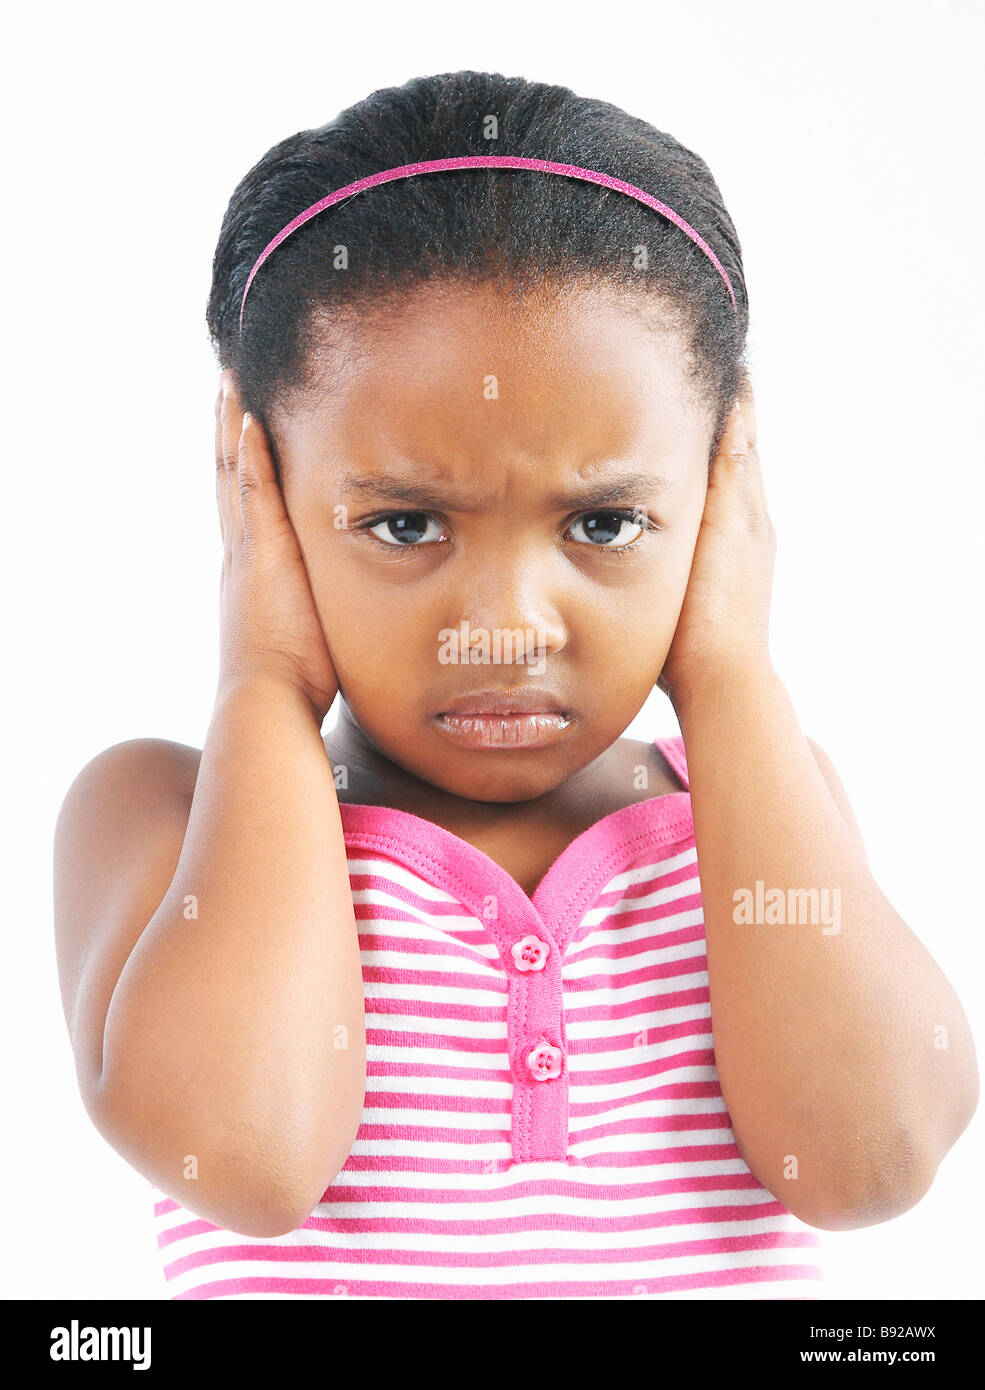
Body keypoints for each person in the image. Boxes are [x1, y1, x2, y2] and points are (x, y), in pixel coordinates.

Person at [53, 70, 978, 1300]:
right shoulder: (163, 818)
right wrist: (264, 683)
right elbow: (245, 1154)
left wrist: (731, 675)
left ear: (719, 493)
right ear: (254, 487)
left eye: (602, 522)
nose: (504, 628)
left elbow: (873, 1162)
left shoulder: (755, 808)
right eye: (403, 524)